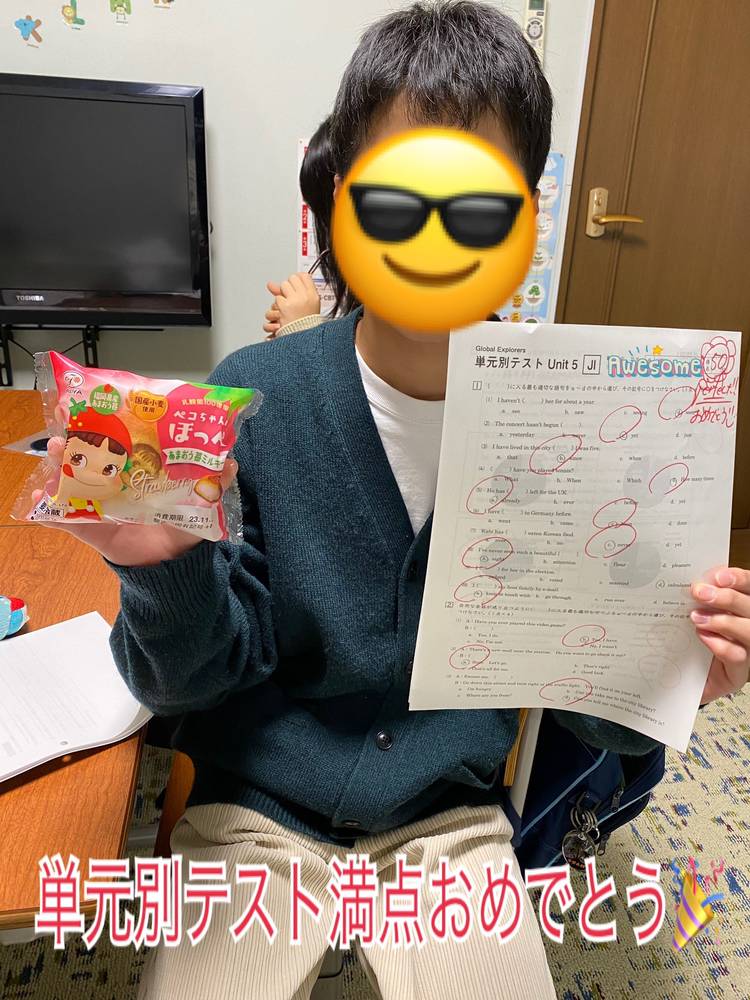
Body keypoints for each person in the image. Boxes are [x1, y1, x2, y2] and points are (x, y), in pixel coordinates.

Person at [41, 3, 750, 998]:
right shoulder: (253, 396)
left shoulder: (583, 425)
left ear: (527, 216)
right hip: (256, 815)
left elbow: (596, 721)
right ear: (341, 203)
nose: (432, 235)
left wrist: (665, 678)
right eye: (393, 201)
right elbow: (187, 687)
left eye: (476, 208)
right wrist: (167, 572)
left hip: (449, 823)